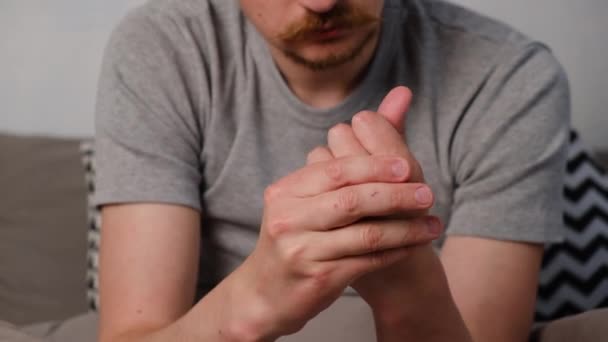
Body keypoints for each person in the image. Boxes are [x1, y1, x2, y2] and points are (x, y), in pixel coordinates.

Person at [94, 0, 570, 341]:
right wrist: (253, 304)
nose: (321, 3)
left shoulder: (510, 77)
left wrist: (402, 274)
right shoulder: (163, 48)